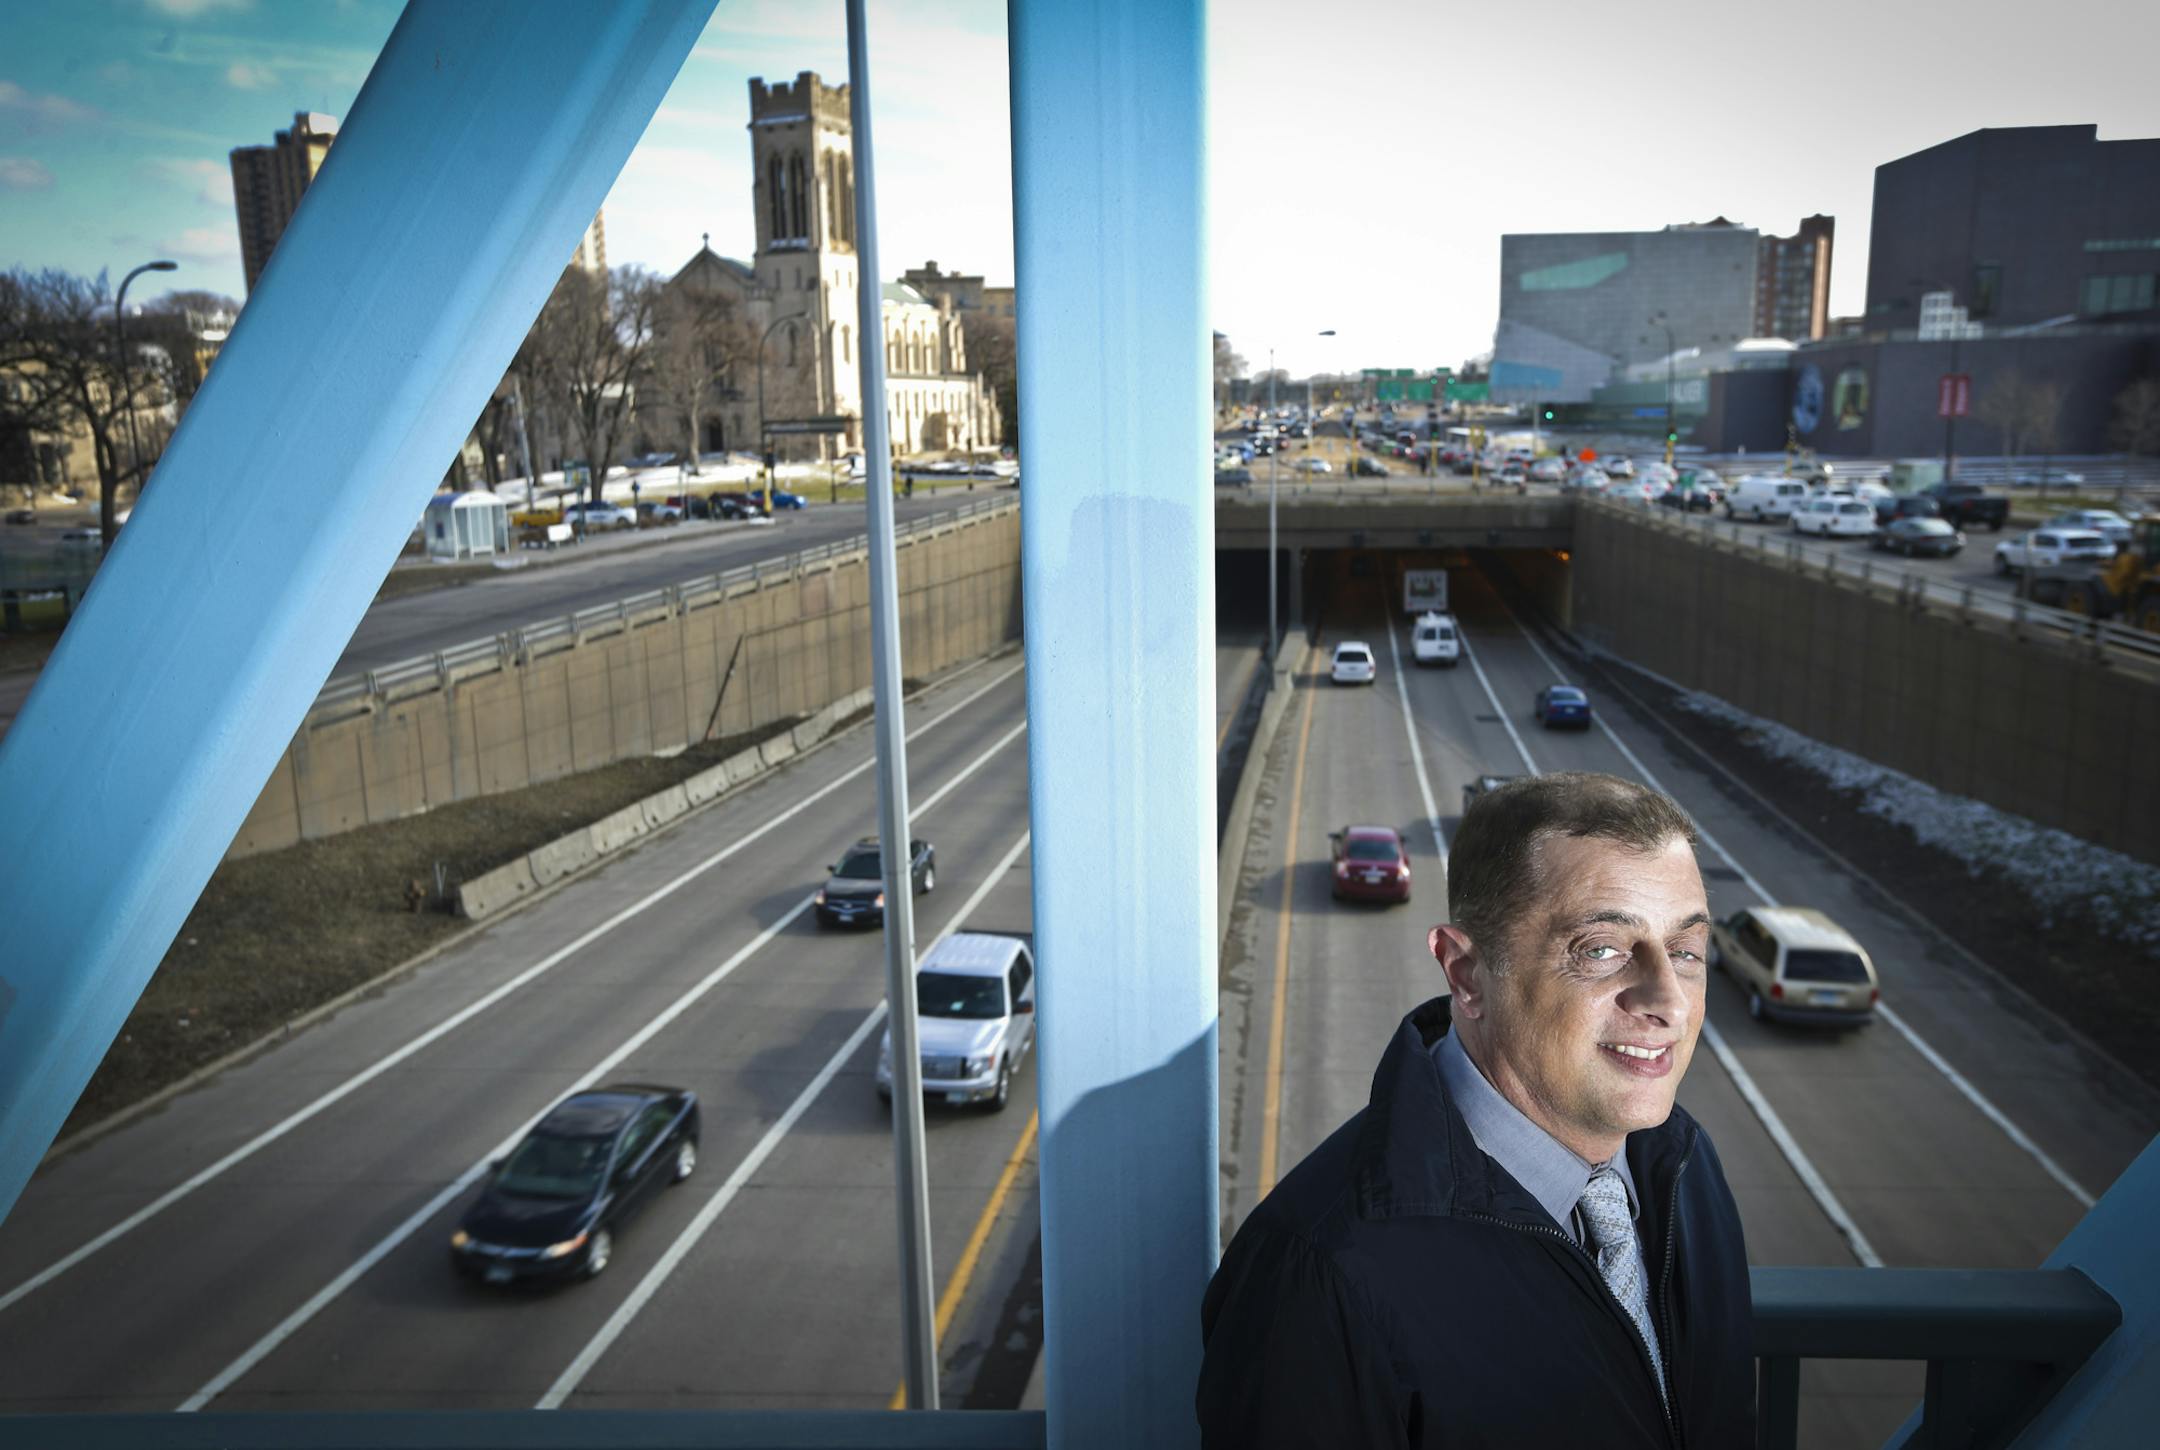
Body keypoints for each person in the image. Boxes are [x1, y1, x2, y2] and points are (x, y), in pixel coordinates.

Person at [1198, 773, 1753, 1447]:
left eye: (1686, 951)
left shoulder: (1687, 1167)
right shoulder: (1316, 1273)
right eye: (1602, 950)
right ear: (1467, 975)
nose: (1668, 999)